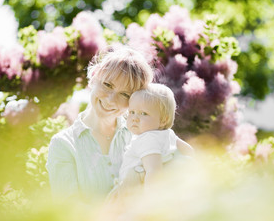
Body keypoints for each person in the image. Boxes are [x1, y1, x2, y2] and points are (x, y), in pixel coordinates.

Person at [46, 45, 193, 202]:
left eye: (124, 94)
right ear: (94, 76)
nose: (110, 100)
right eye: (107, 85)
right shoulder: (63, 145)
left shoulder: (144, 134)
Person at [109, 83, 194, 199]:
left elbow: (153, 170)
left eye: (143, 113)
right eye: (132, 112)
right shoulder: (168, 133)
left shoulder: (148, 139)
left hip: (134, 190)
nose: (134, 118)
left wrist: (150, 200)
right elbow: (188, 150)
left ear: (164, 120)